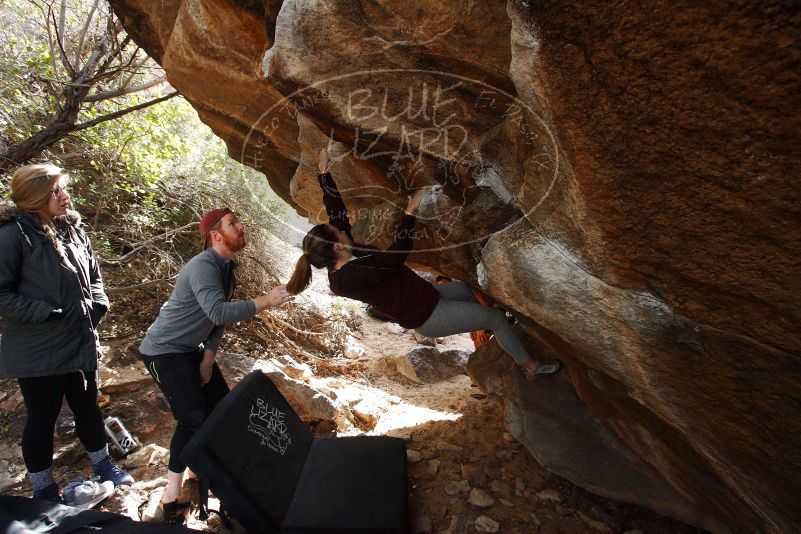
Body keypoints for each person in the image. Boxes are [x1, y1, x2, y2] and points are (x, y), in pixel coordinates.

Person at [287, 146, 561, 380]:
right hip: (428, 315)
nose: (342, 229)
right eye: (338, 233)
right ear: (337, 246)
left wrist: (323, 172)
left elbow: (338, 213)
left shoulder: (348, 251)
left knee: (469, 290)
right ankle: (530, 366)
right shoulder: (346, 279)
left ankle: (492, 331)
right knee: (497, 318)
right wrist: (410, 211)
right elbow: (395, 257)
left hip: (428, 295)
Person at [139, 208, 291, 524]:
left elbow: (215, 321)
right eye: (232, 223)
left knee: (222, 409)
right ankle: (171, 494)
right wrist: (266, 301)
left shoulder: (225, 268)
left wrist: (208, 358)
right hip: (164, 352)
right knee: (193, 418)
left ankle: (200, 470)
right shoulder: (203, 266)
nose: (240, 225)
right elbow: (219, 312)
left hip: (191, 349)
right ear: (215, 235)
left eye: (239, 220)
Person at [0, 164, 134, 504]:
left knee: (88, 407)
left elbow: (95, 276)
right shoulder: (14, 236)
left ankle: (103, 466)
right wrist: (46, 313)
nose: (65, 196)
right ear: (36, 196)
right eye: (57, 191)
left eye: (63, 188)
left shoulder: (73, 230)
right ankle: (44, 488)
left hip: (79, 340)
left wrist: (99, 305)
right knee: (42, 418)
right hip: (38, 348)